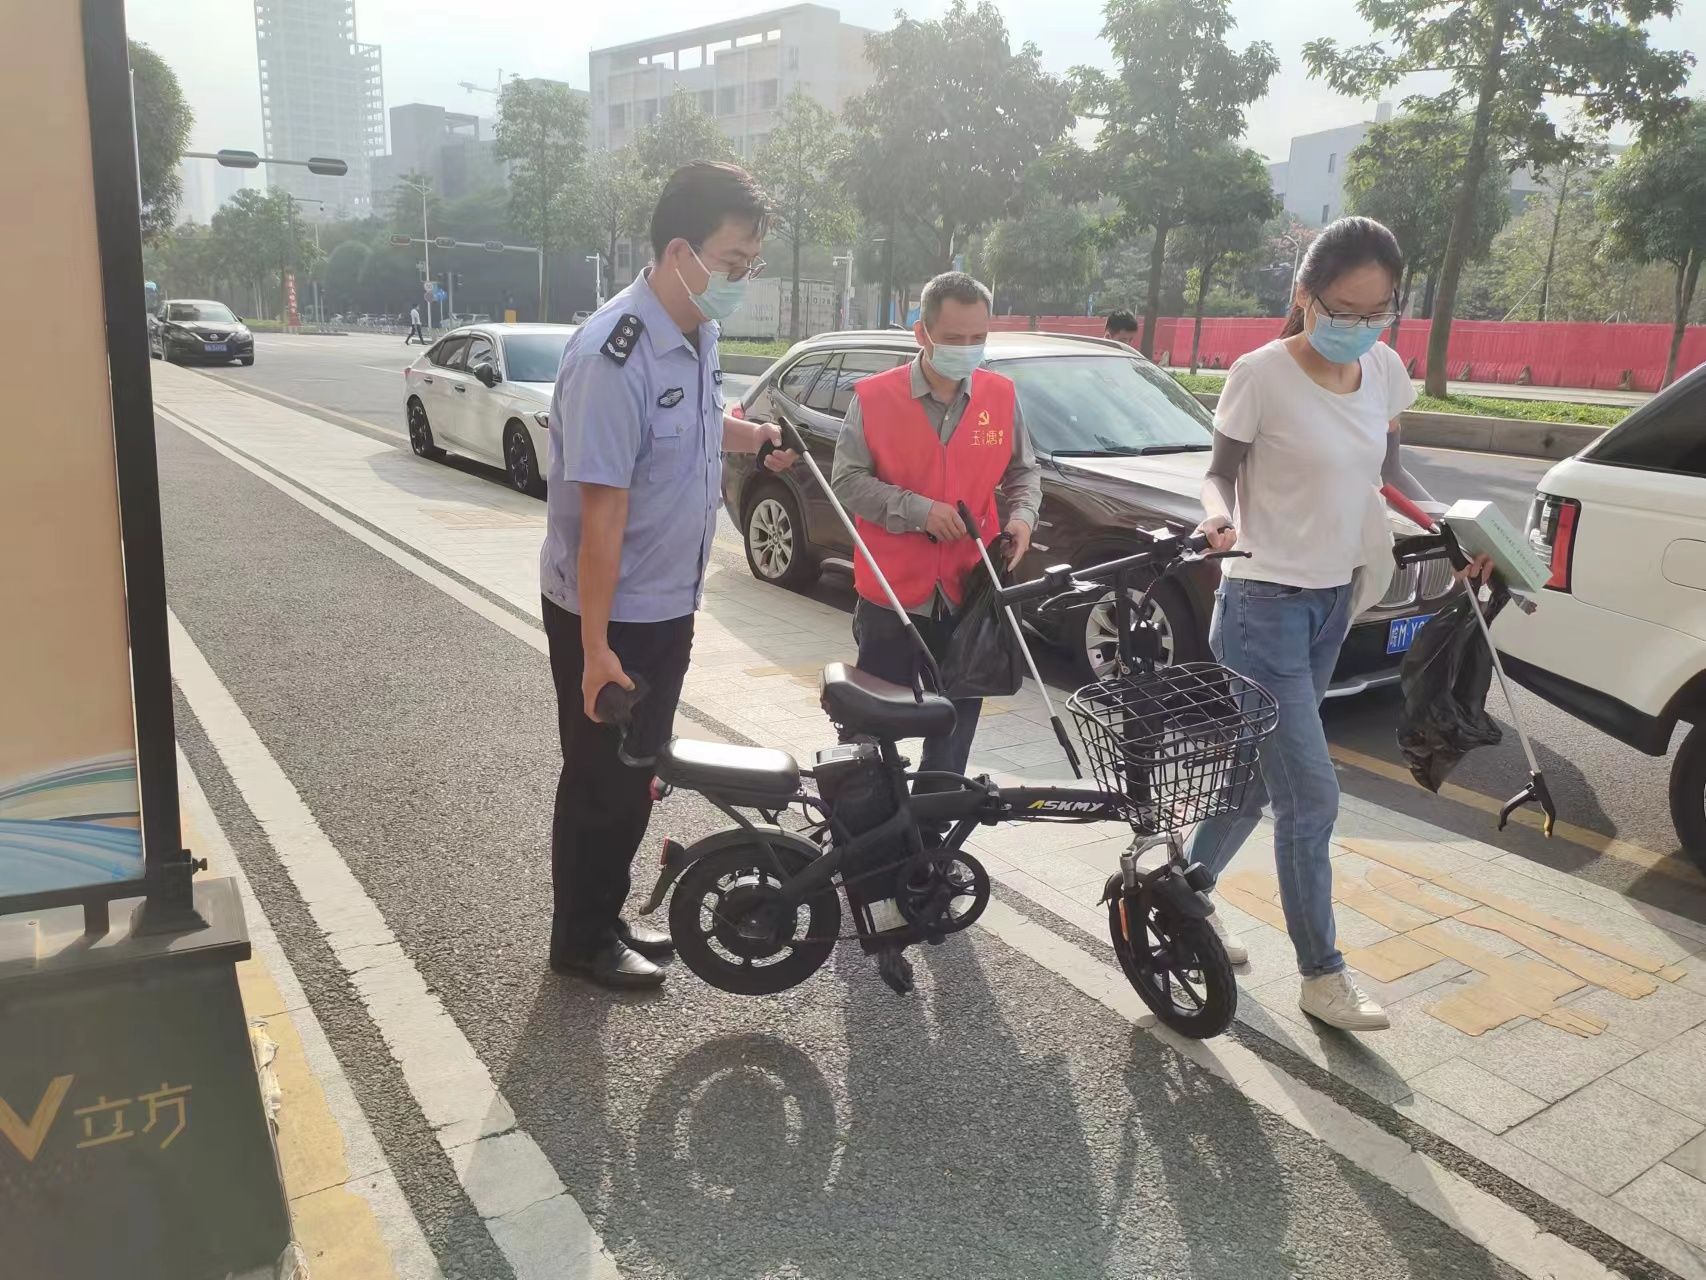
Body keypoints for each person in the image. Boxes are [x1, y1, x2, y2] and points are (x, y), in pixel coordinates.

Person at [1187, 216, 1491, 1031]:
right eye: (1344, 308)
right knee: (1312, 797)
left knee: (1254, 780)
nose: (1359, 326)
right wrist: (1219, 521)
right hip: (1259, 608)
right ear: (1305, 296)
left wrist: (1450, 526)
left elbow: (1389, 473)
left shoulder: (1385, 371)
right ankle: (1322, 977)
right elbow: (1217, 475)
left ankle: (1183, 894)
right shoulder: (1261, 373)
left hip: (1333, 603)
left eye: (1378, 310)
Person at [541, 161, 794, 988]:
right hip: (613, 615)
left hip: (665, 602)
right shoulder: (611, 357)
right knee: (600, 781)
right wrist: (596, 650)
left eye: (753, 264)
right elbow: (601, 519)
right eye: (734, 262)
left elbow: (685, 428)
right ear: (681, 250)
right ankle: (579, 940)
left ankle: (604, 915)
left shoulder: (695, 330)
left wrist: (747, 439)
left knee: (636, 774)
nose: (742, 280)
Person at [831, 271, 1040, 794]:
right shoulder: (875, 399)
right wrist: (918, 510)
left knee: (953, 732)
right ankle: (863, 836)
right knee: (870, 731)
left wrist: (1022, 519)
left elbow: (1024, 472)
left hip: (971, 597)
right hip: (891, 597)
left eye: (978, 338)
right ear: (922, 333)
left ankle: (929, 846)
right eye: (954, 338)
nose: (968, 349)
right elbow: (848, 482)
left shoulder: (1001, 395)